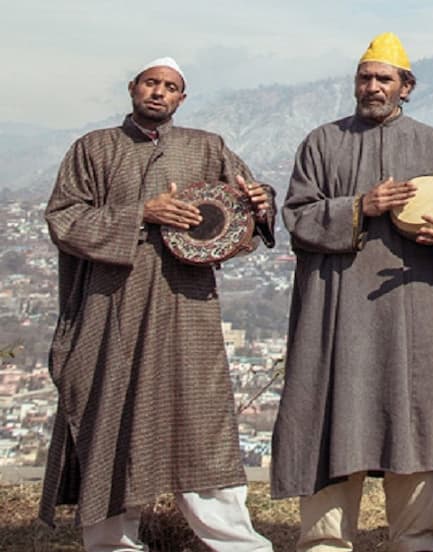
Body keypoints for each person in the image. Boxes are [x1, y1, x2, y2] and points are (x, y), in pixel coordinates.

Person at [39, 57, 275, 552]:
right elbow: (63, 217)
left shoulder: (206, 147)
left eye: (170, 87)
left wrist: (260, 201)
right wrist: (140, 214)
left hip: (187, 310)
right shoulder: (94, 148)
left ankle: (237, 544)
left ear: (181, 99)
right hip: (111, 309)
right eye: (151, 83)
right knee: (111, 420)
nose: (159, 93)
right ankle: (110, 544)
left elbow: (246, 207)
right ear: (133, 87)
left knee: (201, 425)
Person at [270, 32, 433, 552]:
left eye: (384, 78)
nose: (372, 86)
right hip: (334, 316)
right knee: (329, 415)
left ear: (406, 86)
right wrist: (359, 207)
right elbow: (296, 217)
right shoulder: (322, 143)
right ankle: (324, 542)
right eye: (365, 77)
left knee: (414, 420)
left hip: (414, 315)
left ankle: (419, 539)